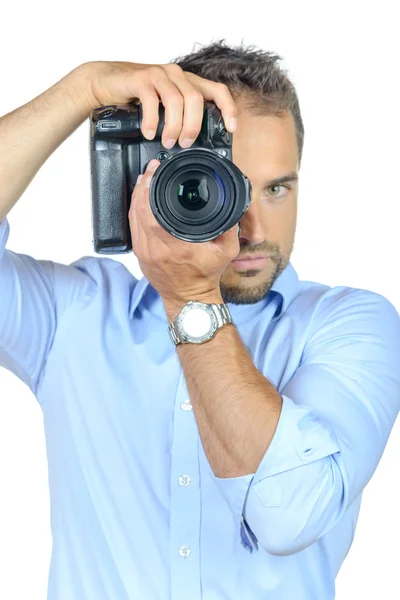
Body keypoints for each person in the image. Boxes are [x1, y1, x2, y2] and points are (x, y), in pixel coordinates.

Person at [0, 39, 399, 600]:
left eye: (277, 188)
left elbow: (287, 516)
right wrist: (81, 89)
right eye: (221, 185)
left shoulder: (351, 325)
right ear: (158, 178)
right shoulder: (75, 315)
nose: (253, 227)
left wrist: (190, 297)